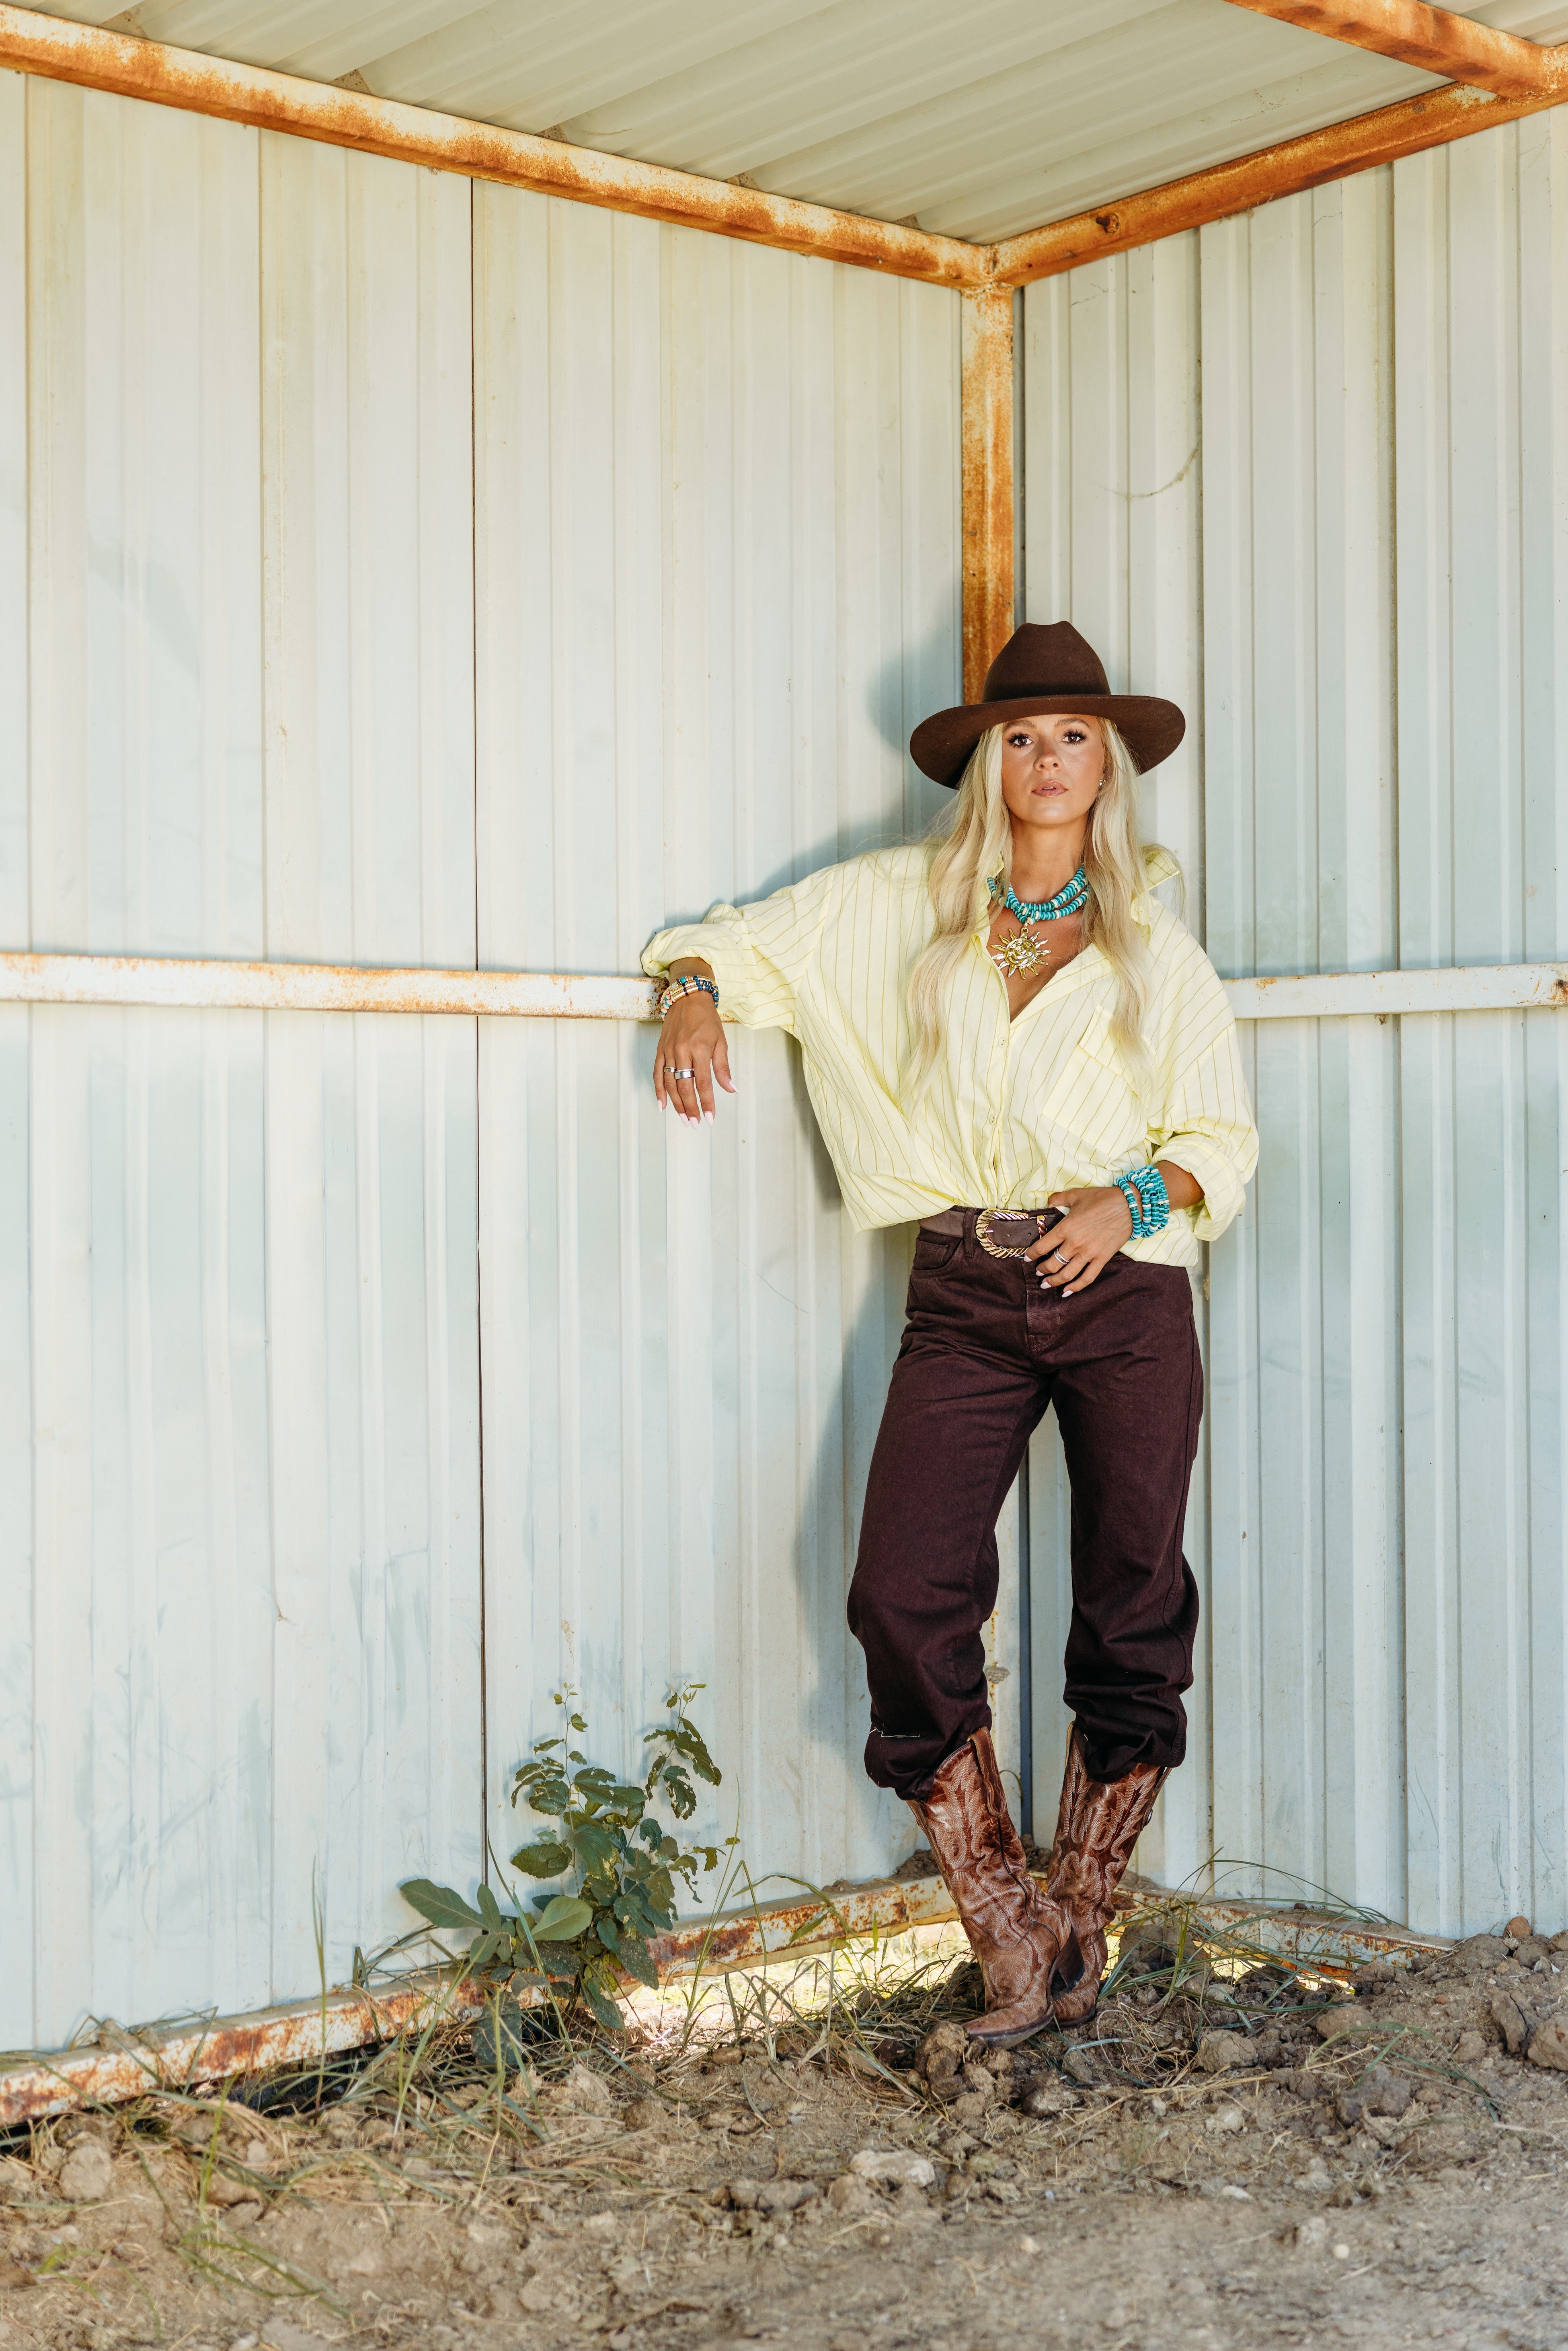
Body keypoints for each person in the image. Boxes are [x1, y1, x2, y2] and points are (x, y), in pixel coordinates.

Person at [642, 623, 1258, 2049]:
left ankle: (1083, 1915)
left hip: (1124, 1293)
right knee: (900, 1595)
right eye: (1021, 738)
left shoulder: (1156, 952)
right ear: (988, 764)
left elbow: (1221, 1143)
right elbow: (727, 945)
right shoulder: (891, 908)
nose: (1048, 761)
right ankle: (1004, 1925)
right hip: (967, 1289)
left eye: (1073, 738)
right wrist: (689, 993)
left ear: (1107, 767)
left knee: (1131, 1593)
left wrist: (1127, 1201)